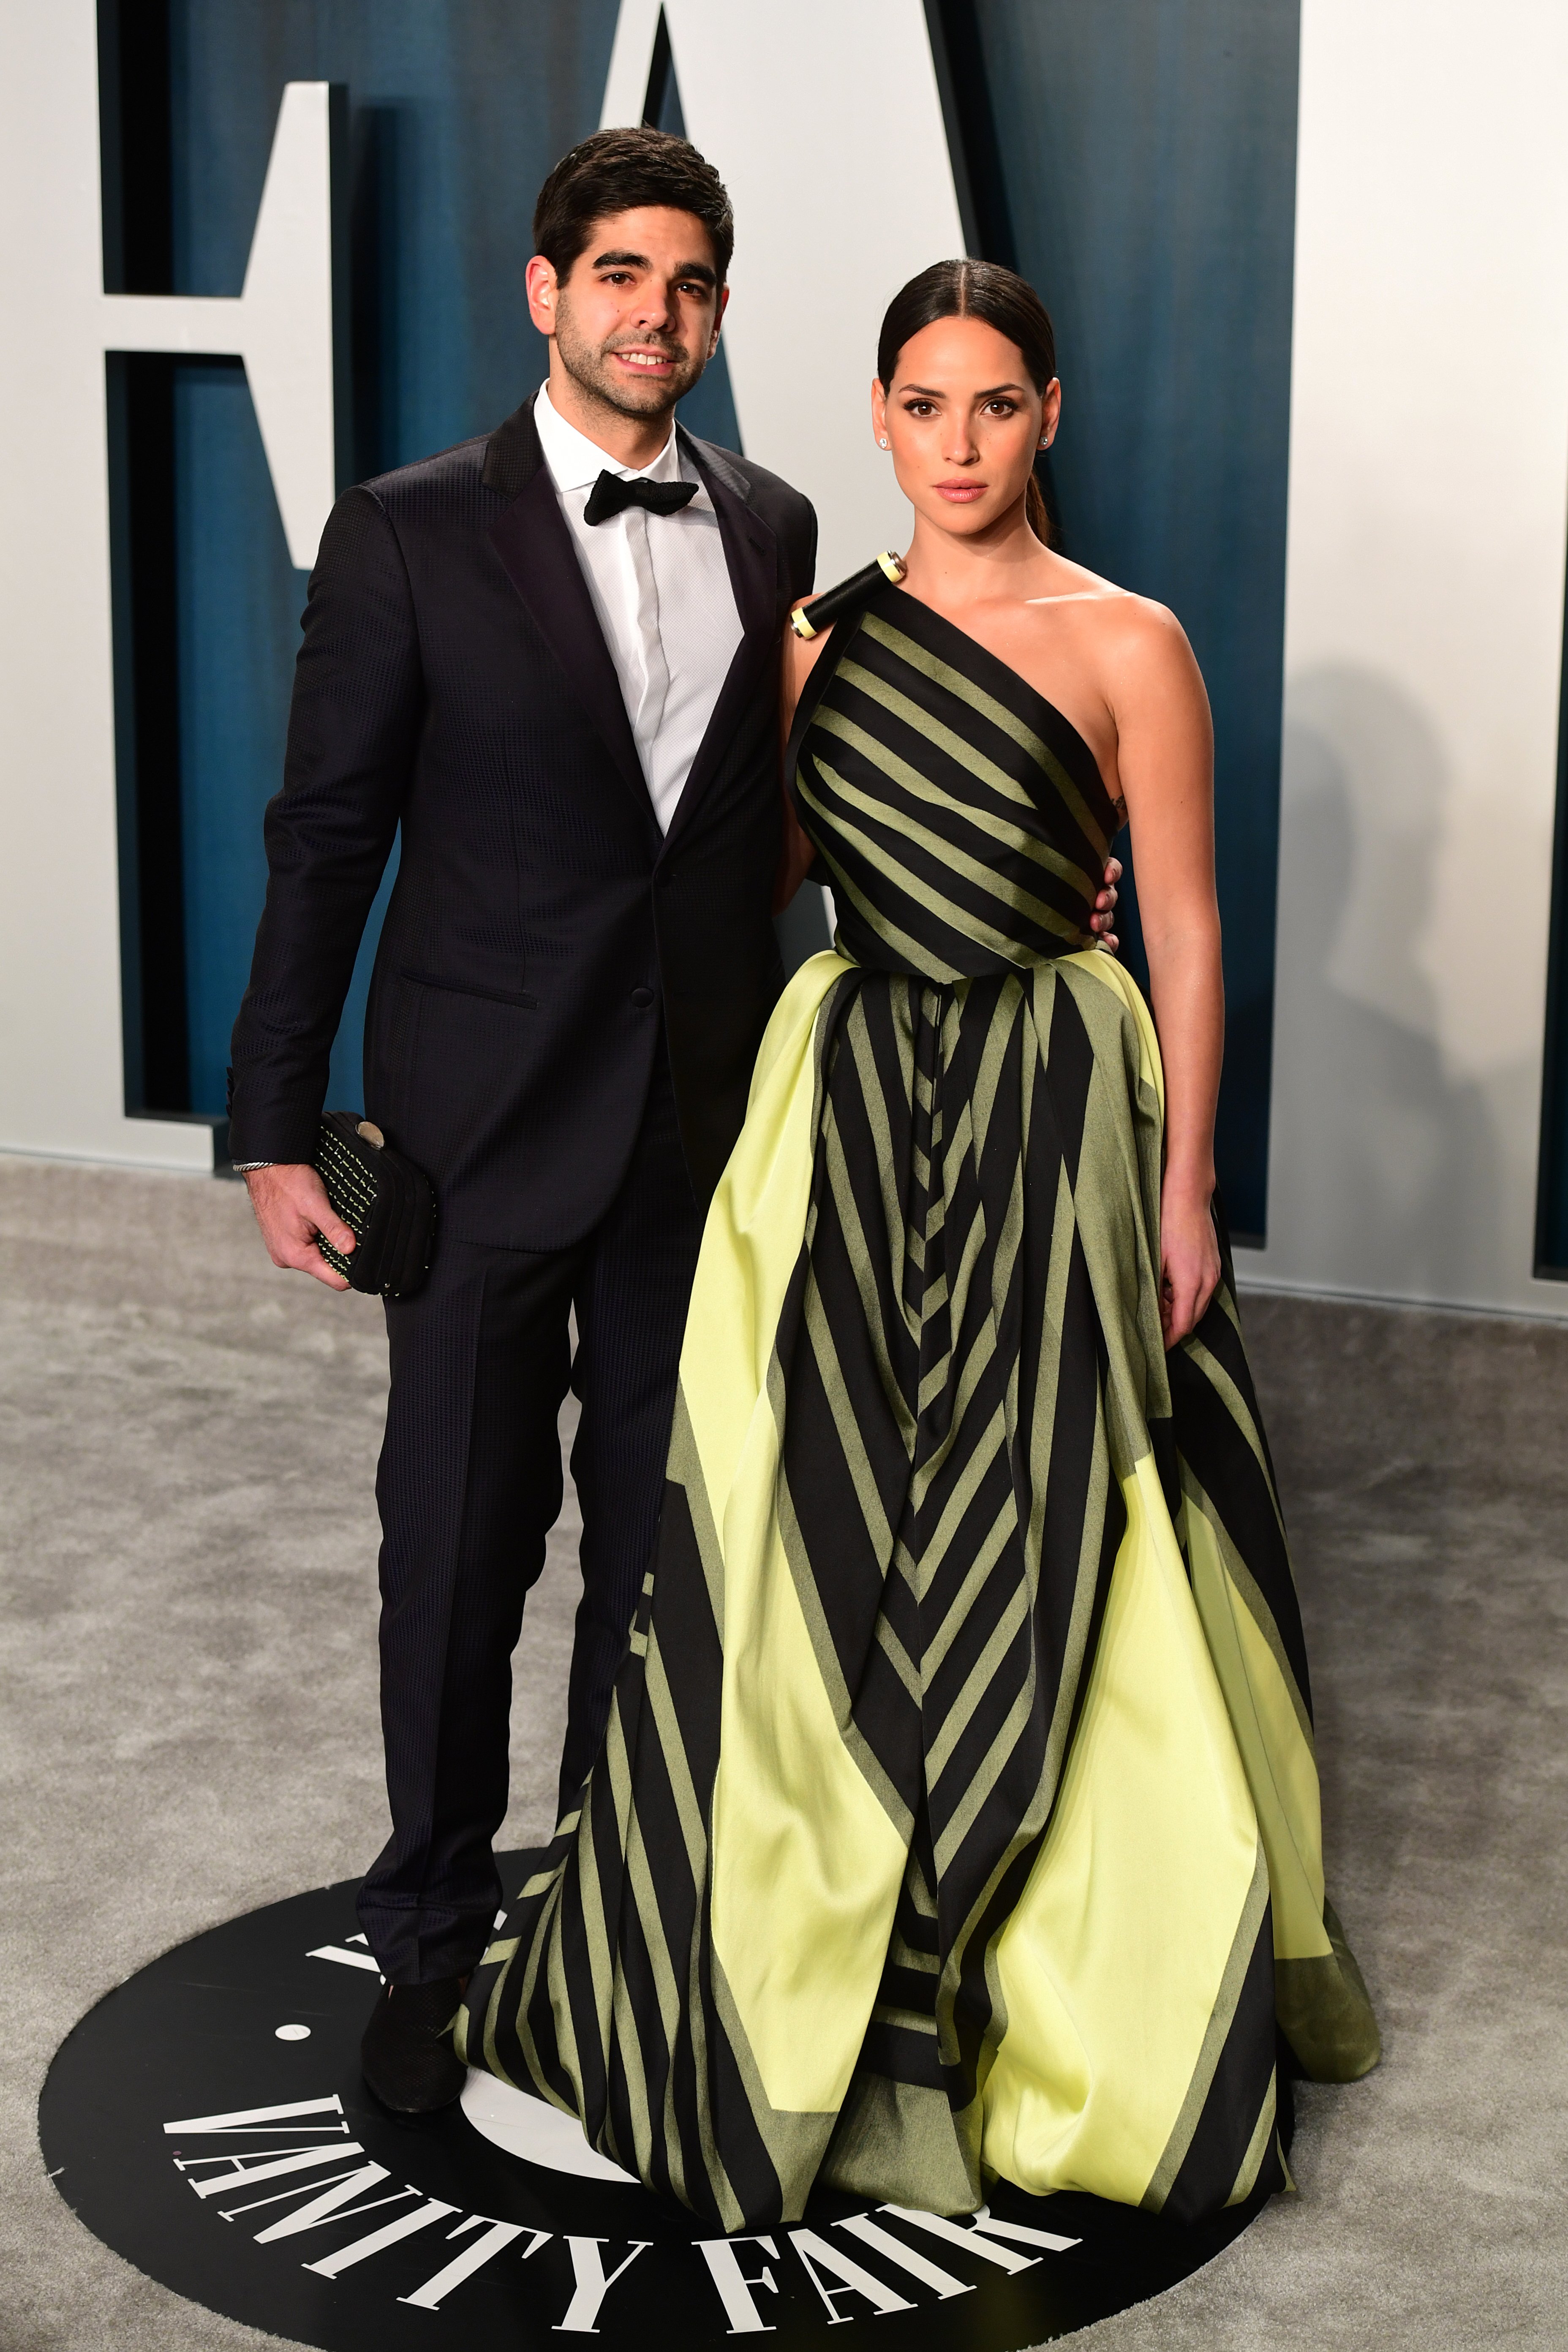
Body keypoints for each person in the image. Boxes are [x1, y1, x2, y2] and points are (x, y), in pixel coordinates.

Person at [457, 259, 1380, 2230]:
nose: (958, 444)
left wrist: (1189, 1182)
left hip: (1056, 1105)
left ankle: (1064, 1992)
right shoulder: (814, 639)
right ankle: (821, 1945)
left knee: (1053, 1523)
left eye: (995, 405)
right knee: (818, 1522)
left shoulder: (1131, 639)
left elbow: (1191, 931)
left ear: (1048, 415)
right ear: (874, 419)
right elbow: (755, 872)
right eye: (922, 405)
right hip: (854, 1108)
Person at [225, 122, 1129, 2116]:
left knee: (664, 1555)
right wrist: (277, 1127)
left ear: (721, 312)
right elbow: (324, 839)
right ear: (548, 294)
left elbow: (784, 828)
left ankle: (601, 1914)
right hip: (467, 1138)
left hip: (705, 1137)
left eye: (692, 284)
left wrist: (1009, 876)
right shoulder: (406, 529)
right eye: (621, 275)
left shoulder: (781, 519)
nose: (658, 315)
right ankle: (438, 1918)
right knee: (456, 1547)